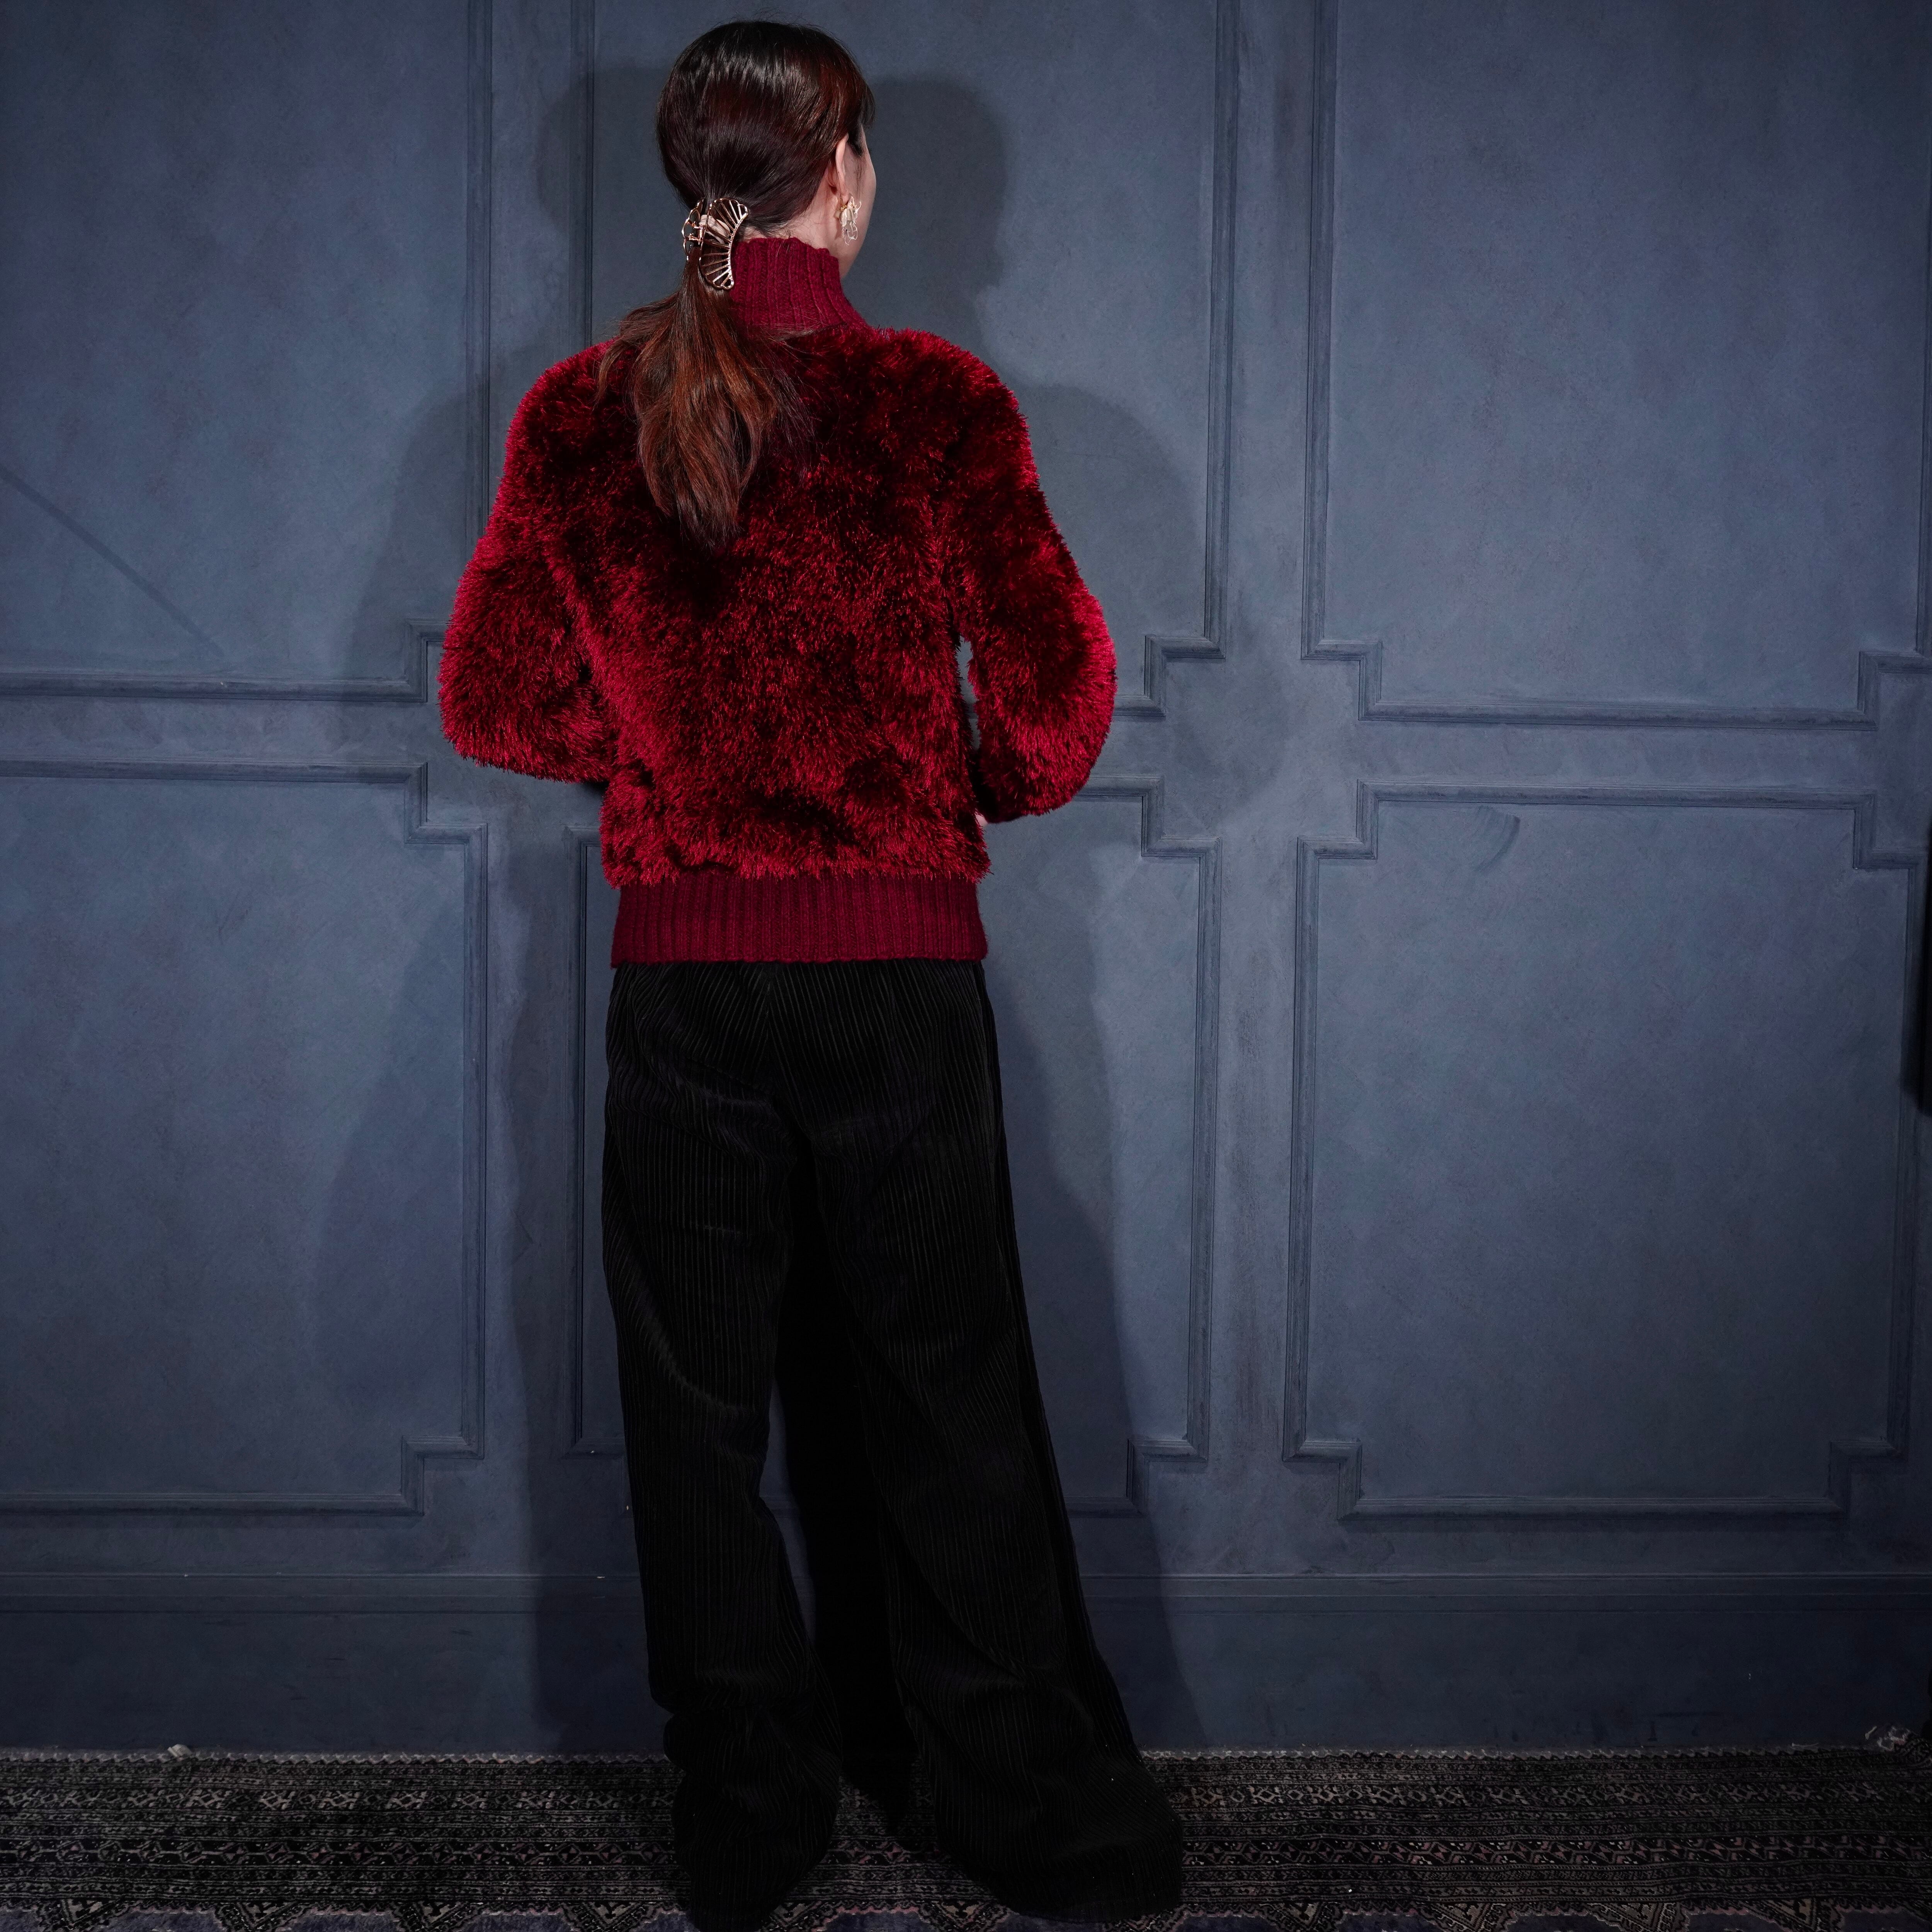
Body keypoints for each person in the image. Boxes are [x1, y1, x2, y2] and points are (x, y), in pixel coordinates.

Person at [438, 19, 1183, 1930]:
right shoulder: (937, 404)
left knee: (693, 1416)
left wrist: (669, 767)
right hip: (895, 976)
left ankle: (746, 1819)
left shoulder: (577, 413)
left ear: (691, 186)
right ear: (839, 172)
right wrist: (929, 786)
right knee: (946, 1397)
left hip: (681, 987)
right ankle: (1034, 1815)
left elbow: (494, 698)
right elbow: (1051, 715)